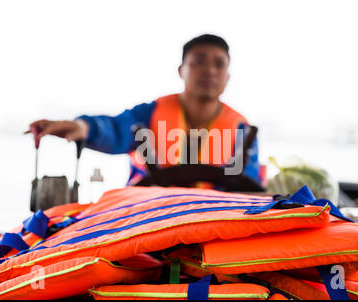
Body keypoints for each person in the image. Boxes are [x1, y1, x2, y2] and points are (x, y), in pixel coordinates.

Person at [26, 34, 263, 187]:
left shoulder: (242, 129)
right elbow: (116, 129)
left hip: (212, 227)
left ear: (228, 76)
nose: (210, 70)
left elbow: (248, 188)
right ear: (181, 69)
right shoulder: (148, 114)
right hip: (146, 221)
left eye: (219, 64)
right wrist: (82, 127)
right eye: (199, 61)